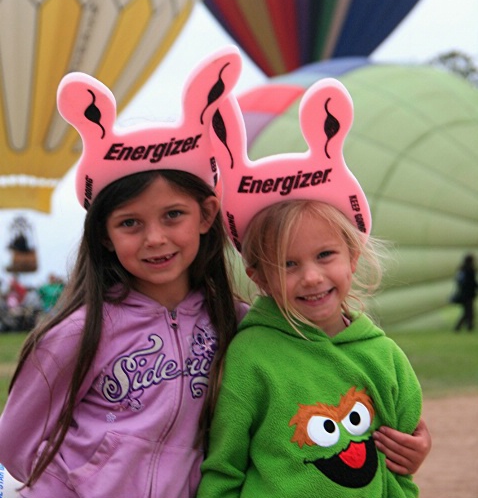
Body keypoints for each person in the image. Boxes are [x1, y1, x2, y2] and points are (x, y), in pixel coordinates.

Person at [0, 47, 247, 498]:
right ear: (105, 235)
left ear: (208, 214)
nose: (155, 238)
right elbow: (14, 445)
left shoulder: (239, 324)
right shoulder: (76, 333)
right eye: (130, 223)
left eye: (173, 214)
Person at [197, 75, 427, 497]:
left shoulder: (385, 357)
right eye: (287, 264)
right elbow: (223, 467)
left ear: (353, 255)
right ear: (258, 277)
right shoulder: (250, 358)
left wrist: (415, 451)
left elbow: (400, 471)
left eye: (325, 255)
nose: (312, 277)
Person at [453, 253, 478, 331]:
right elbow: (472, 282)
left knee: (467, 311)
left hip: (463, 293)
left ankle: (466, 326)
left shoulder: (462, 270)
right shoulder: (469, 270)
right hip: (468, 294)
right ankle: (462, 327)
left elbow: (459, 281)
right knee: (468, 312)